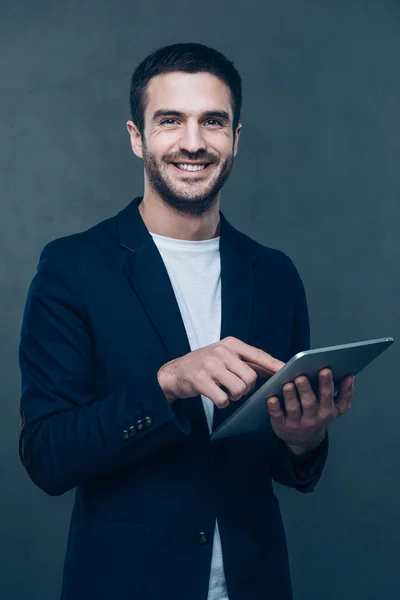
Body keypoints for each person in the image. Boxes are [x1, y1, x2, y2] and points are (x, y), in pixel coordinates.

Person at [18, 43, 354, 600]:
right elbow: (47, 456)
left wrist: (303, 439)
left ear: (236, 139)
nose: (194, 142)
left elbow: (284, 464)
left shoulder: (274, 275)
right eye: (170, 120)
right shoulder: (73, 267)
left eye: (213, 122)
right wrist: (167, 383)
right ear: (136, 136)